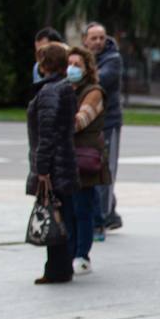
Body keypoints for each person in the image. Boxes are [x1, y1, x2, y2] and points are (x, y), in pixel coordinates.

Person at [26, 42, 79, 285]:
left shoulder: (49, 91)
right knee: (62, 214)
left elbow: (46, 134)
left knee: (53, 214)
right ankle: (62, 267)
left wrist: (42, 169)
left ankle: (56, 269)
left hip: (55, 165)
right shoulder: (65, 88)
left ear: (46, 64)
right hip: (65, 161)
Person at [66, 46, 111, 276]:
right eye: (69, 64)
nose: (71, 69)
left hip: (84, 158)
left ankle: (82, 255)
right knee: (69, 210)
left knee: (82, 209)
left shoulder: (93, 92)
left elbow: (79, 121)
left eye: (77, 65)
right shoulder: (65, 89)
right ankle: (71, 251)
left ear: (87, 69)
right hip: (67, 157)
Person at [83, 22, 124, 237]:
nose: (99, 42)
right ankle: (110, 212)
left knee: (106, 170)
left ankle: (104, 217)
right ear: (85, 40)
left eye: (102, 37)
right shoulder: (84, 59)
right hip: (90, 125)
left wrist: (83, 72)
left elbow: (100, 80)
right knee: (92, 168)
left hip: (109, 123)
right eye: (94, 38)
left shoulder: (112, 59)